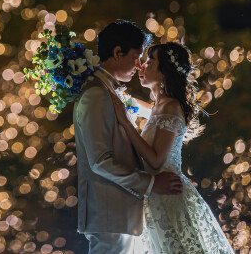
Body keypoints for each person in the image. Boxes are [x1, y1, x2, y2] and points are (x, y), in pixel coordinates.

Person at [106, 41, 234, 254]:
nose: (141, 66)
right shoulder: (159, 106)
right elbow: (134, 105)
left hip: (166, 197)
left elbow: (155, 160)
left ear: (164, 71)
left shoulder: (171, 106)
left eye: (149, 61)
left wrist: (126, 122)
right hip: (152, 195)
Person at [74, 20, 183, 254]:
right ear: (117, 53)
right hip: (110, 214)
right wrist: (152, 184)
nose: (139, 65)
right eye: (136, 56)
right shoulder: (96, 95)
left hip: (125, 214)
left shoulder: (111, 93)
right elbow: (100, 161)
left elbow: (157, 112)